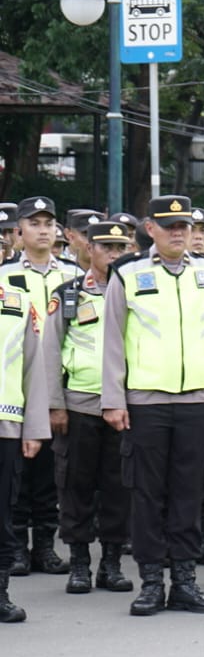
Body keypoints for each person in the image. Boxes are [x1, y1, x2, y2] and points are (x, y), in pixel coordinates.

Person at [101, 195, 204, 616]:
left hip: (197, 399)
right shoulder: (127, 272)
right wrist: (113, 399)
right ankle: (150, 582)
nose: (179, 233)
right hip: (145, 401)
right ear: (151, 229)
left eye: (184, 225)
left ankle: (184, 581)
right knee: (147, 494)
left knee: (189, 492)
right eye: (169, 225)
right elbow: (112, 341)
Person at [42, 215, 136, 595]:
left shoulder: (135, 291)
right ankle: (79, 562)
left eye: (120, 248)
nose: (113, 254)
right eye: (106, 247)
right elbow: (51, 350)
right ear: (89, 248)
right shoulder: (69, 295)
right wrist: (55, 404)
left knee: (118, 486)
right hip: (79, 404)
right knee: (75, 486)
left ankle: (111, 564)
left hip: (124, 406)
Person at [3, 196, 72, 575]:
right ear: (18, 232)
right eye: (34, 223)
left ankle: (45, 545)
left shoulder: (73, 275)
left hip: (60, 385)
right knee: (17, 472)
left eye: (49, 223)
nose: (43, 230)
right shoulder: (5, 275)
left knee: (49, 471)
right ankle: (15, 547)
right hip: (18, 384)